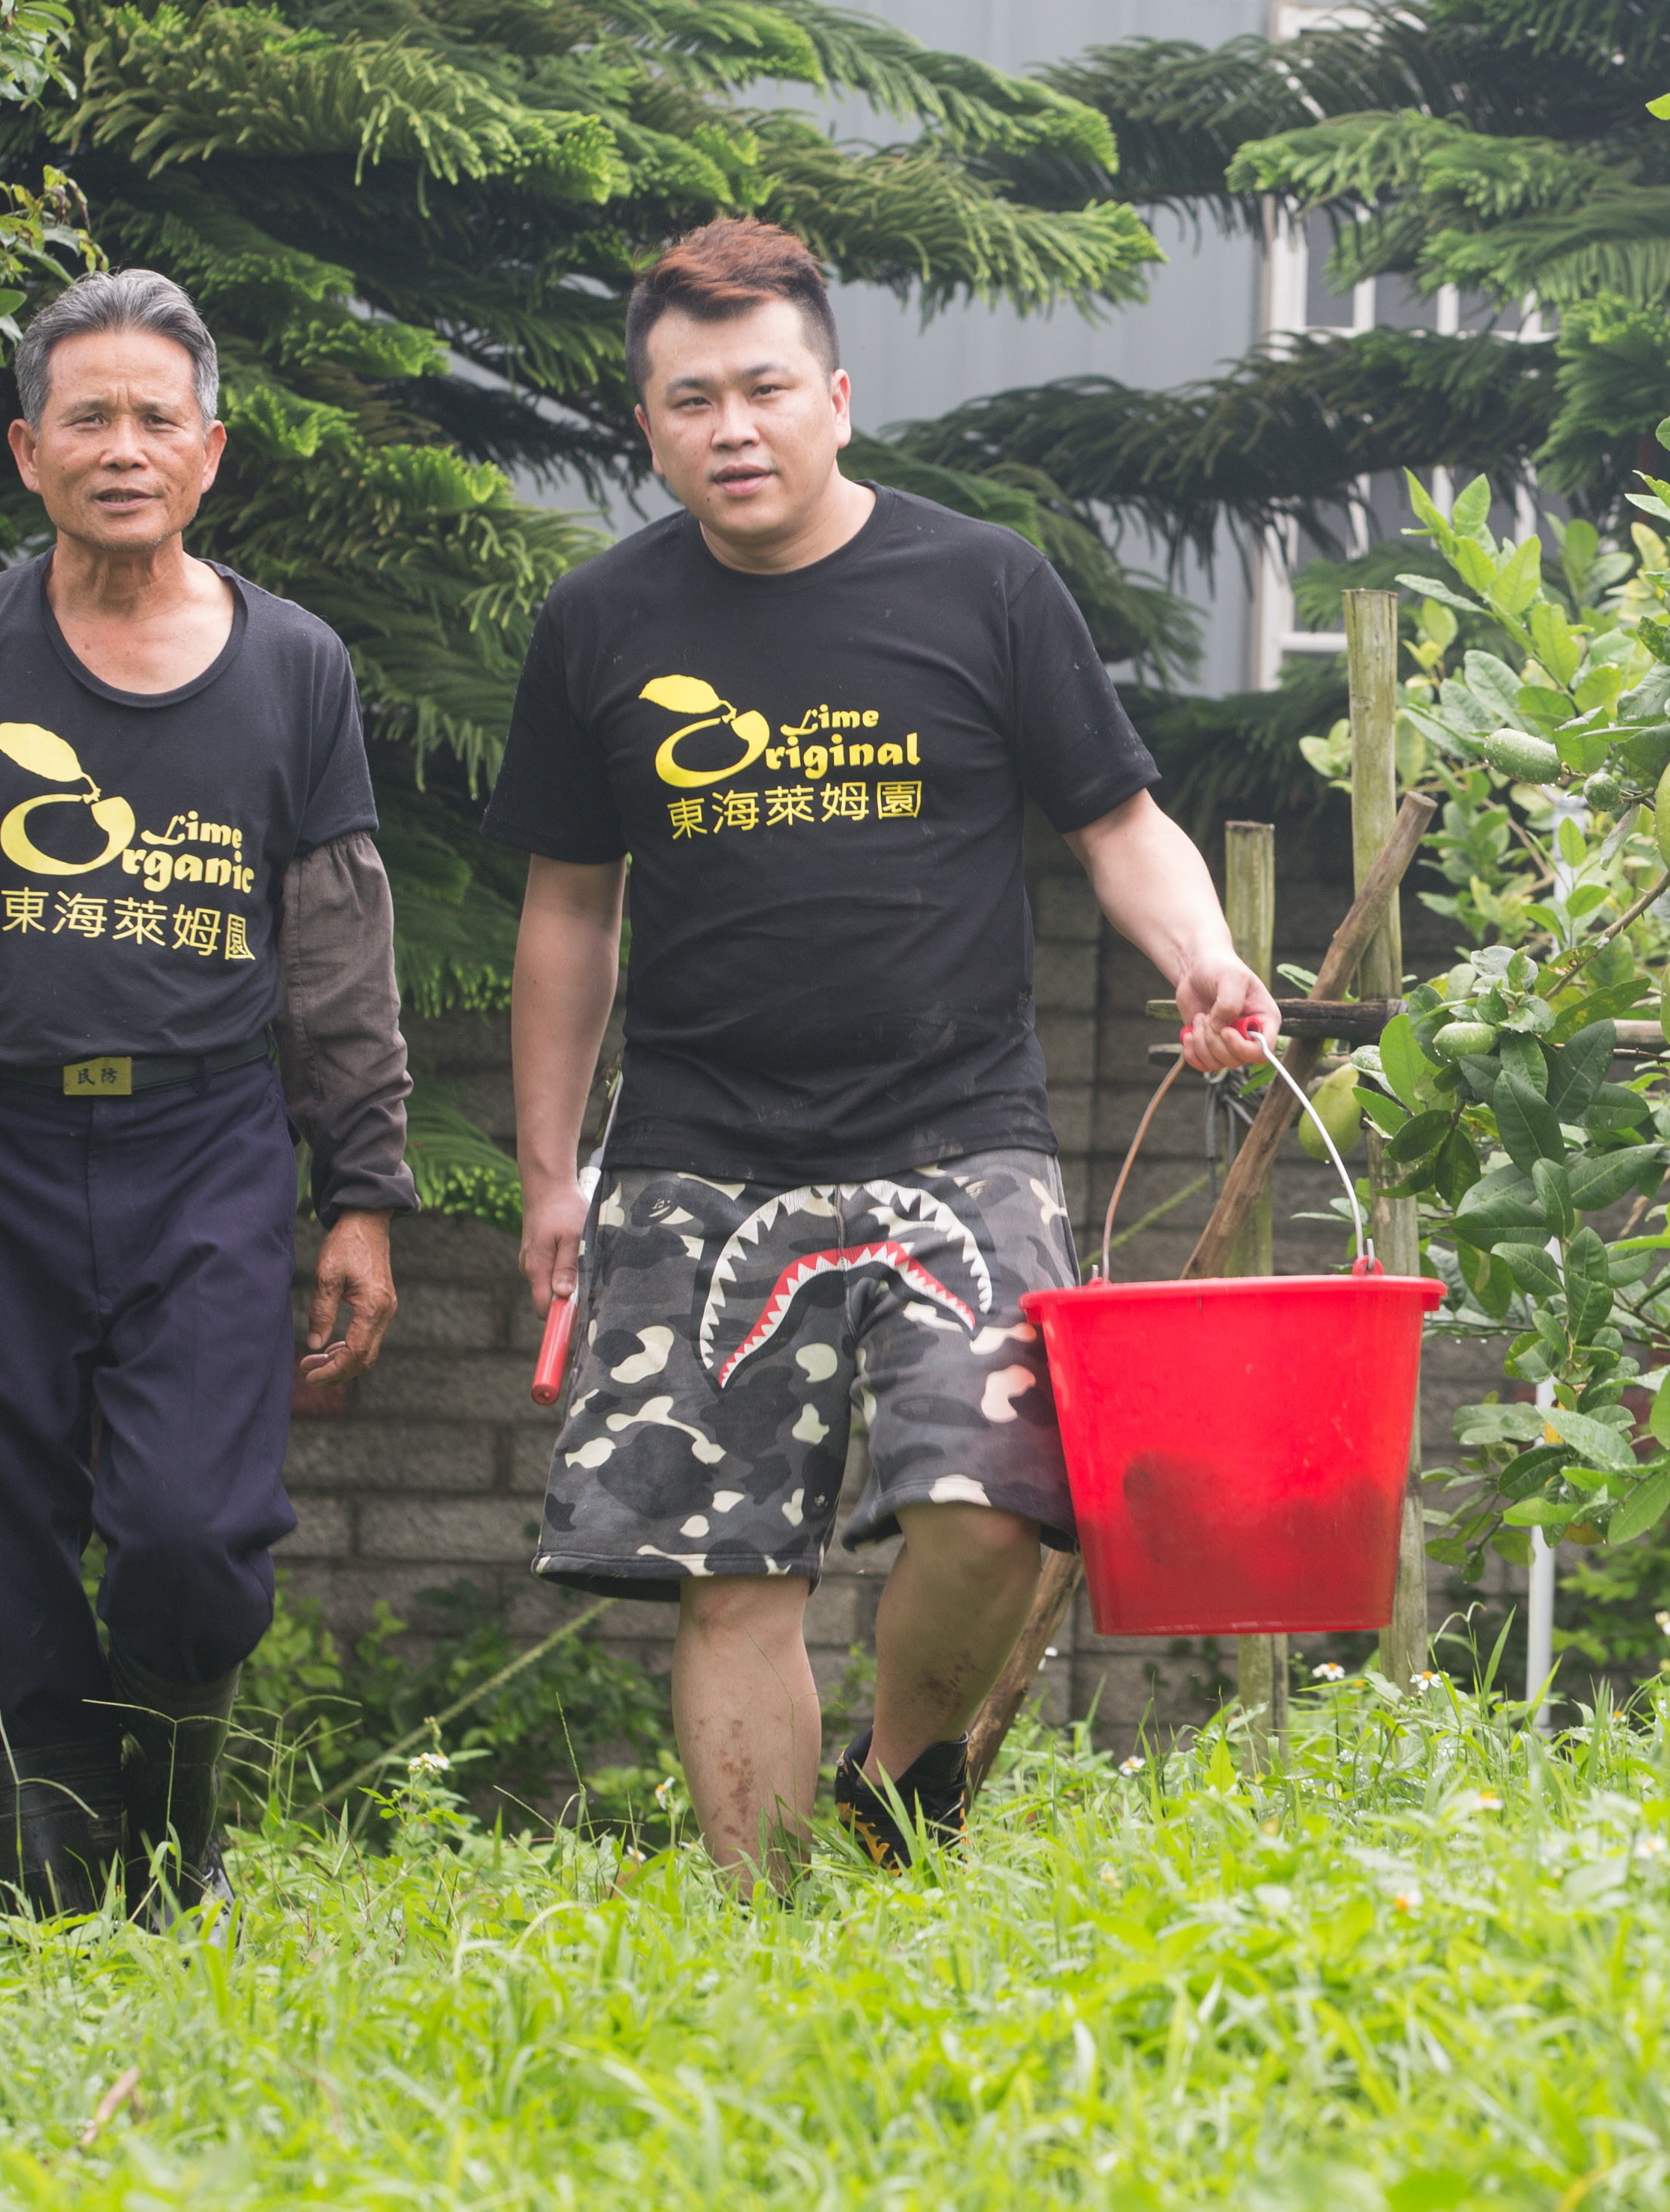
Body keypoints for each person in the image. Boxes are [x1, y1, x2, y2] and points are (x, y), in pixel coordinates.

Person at [493, 218, 1272, 1882]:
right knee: (731, 1569)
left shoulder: (982, 585)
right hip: (701, 1147)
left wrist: (1203, 955)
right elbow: (569, 911)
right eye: (692, 400)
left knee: (1001, 1504)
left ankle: (899, 1782)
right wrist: (552, 1168)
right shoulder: (600, 624)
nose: (735, 429)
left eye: (767, 388)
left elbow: (1120, 824)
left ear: (835, 396)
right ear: (650, 430)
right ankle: (772, 1937)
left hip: (956, 1135)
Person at [0, 270, 414, 1921]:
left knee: (198, 1537)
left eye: (154, 419)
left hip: (205, 1143)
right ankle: (55, 1888)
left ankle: (171, 1820)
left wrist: (361, 1193)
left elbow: (338, 951)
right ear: (27, 451)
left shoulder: (296, 672)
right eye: (87, 419)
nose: (122, 449)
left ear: (211, 452)